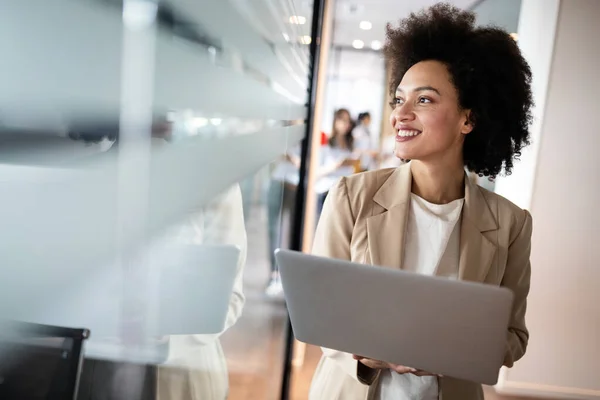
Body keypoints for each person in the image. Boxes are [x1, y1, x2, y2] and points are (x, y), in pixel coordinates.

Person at [308, 4, 533, 400]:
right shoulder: (351, 197)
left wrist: (452, 352)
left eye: (424, 100)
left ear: (468, 119)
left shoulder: (510, 223)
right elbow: (319, 315)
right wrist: (372, 354)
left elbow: (513, 338)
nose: (401, 115)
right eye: (398, 100)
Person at [315, 108, 358, 216]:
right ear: (335, 121)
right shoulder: (326, 143)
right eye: (343, 120)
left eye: (348, 121)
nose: (346, 124)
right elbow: (316, 172)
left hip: (344, 194)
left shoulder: (350, 144)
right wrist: (338, 165)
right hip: (327, 191)